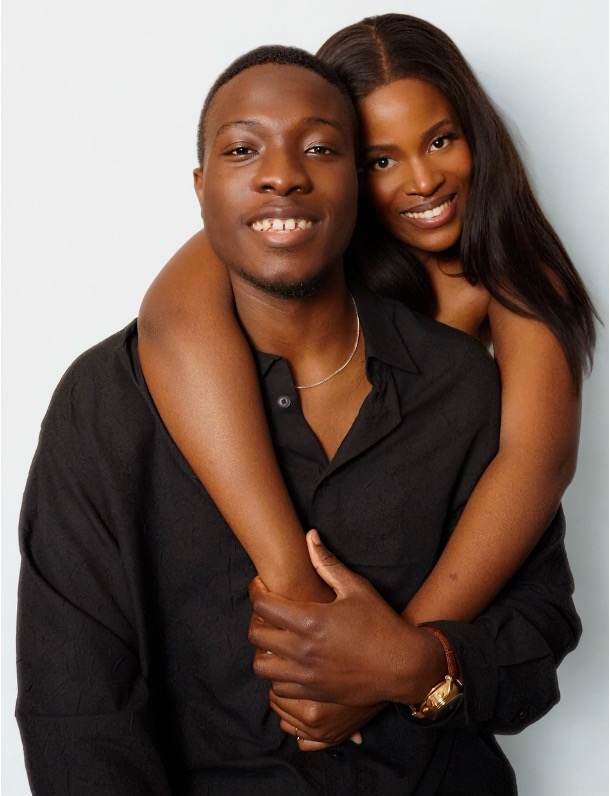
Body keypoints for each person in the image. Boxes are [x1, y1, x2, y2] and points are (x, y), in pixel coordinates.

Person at [17, 46, 580, 795]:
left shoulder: (465, 377)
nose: (282, 174)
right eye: (242, 150)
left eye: (320, 148)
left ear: (347, 182)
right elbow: (77, 714)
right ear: (200, 186)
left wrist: (408, 665)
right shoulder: (112, 400)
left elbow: (539, 630)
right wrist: (297, 588)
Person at [137, 14, 596, 640]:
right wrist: (295, 585)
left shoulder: (517, 276)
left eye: (441, 140)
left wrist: (388, 656)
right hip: (260, 573)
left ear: (476, 133)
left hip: (413, 576)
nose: (423, 180)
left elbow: (537, 462)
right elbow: (170, 317)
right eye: (382, 160)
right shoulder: (294, 234)